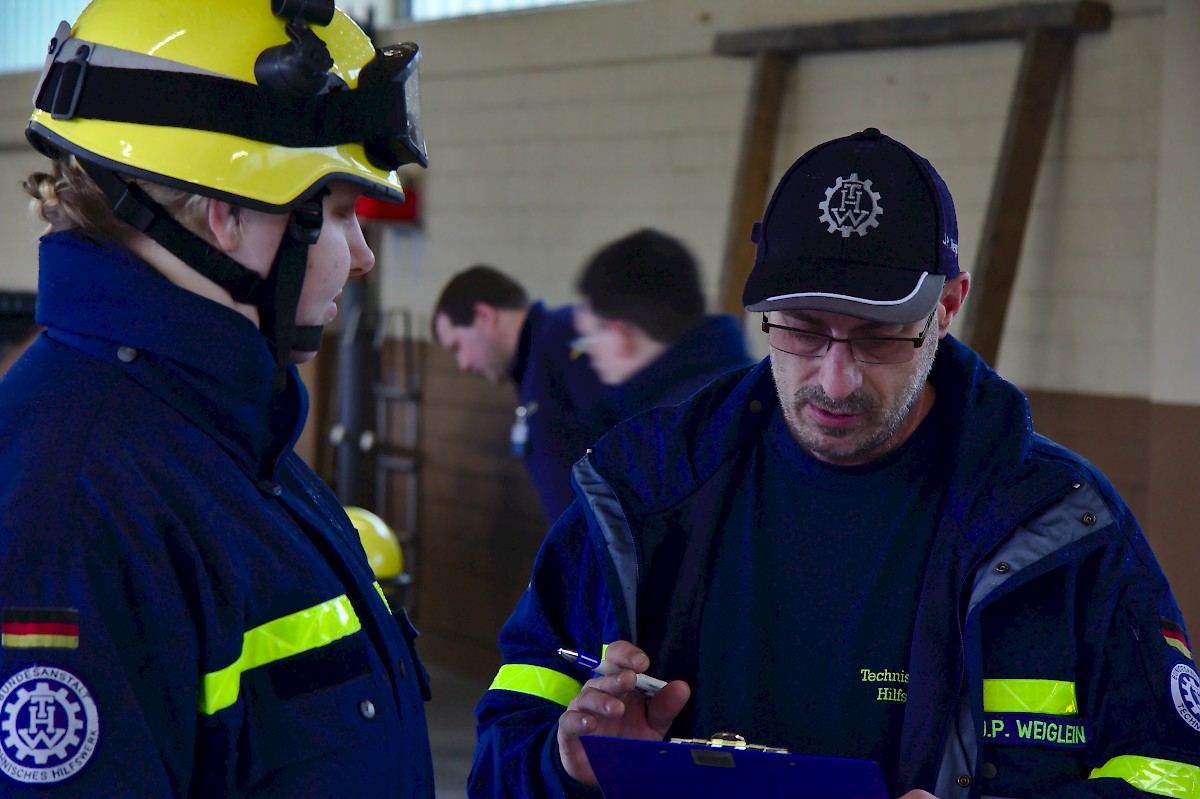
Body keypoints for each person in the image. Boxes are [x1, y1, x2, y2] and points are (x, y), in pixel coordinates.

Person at [469, 128, 1199, 798]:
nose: (836, 379)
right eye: (802, 331)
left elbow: (1175, 774)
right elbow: (497, 763)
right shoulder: (641, 495)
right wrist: (566, 766)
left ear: (947, 307)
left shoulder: (1063, 525)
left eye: (881, 338)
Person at [0, 0, 435, 795]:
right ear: (225, 213)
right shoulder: (77, 501)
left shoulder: (226, 435)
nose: (364, 254)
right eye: (339, 214)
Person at [432, 266, 613, 522]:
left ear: (483, 316)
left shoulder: (567, 341)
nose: (463, 364)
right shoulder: (534, 365)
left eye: (457, 346)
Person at [572, 227, 752, 422]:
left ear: (619, 335)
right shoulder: (748, 386)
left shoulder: (664, 430)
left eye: (589, 337)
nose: (588, 350)